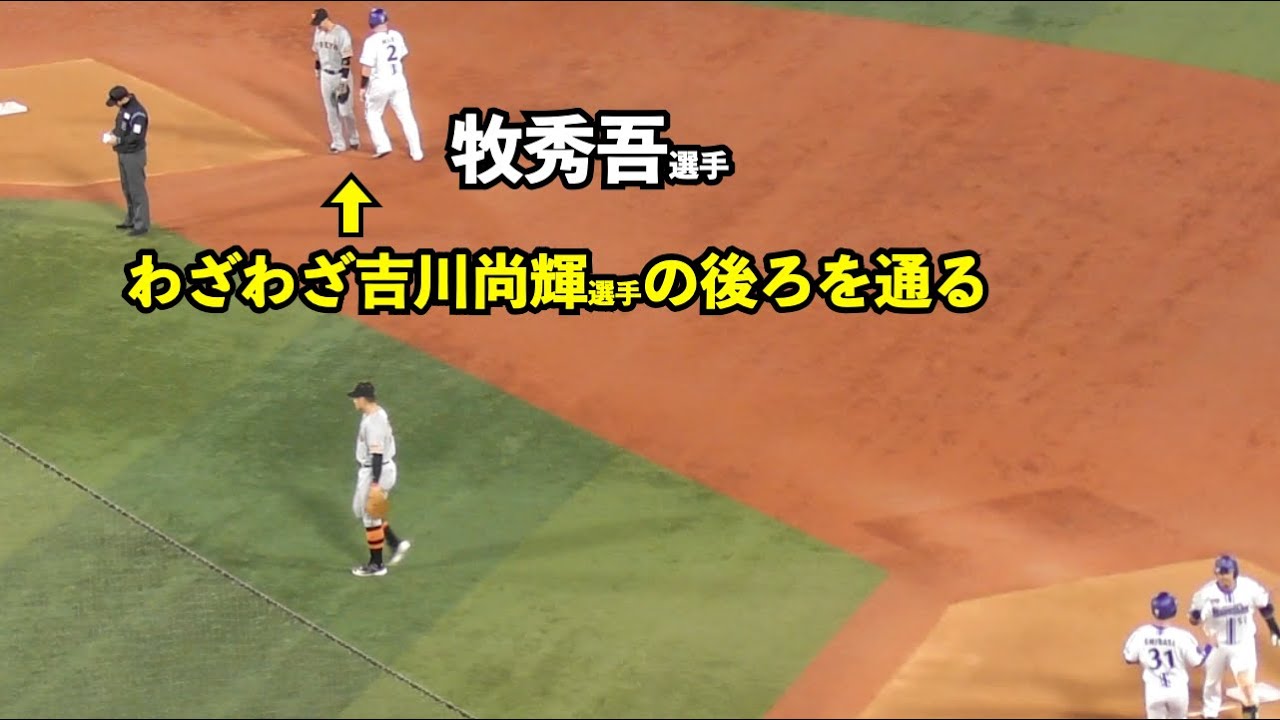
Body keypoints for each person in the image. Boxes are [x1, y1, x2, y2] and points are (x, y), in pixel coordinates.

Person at [1189, 555, 1280, 719]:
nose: (1222, 577)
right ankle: (1210, 713)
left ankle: (1251, 714)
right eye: (1219, 573)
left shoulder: (1249, 588)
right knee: (1212, 682)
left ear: (1234, 573)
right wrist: (1195, 616)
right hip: (1217, 645)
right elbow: (1194, 620)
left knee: (1247, 686)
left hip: (1243, 645)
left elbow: (1265, 608)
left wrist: (1275, 629)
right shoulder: (1205, 594)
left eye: (1226, 573)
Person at [347, 381, 410, 577]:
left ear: (363, 399)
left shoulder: (374, 422)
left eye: (356, 398)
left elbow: (377, 455)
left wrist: (375, 483)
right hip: (378, 469)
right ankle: (395, 543)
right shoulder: (374, 413)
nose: (354, 401)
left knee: (370, 516)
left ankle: (376, 564)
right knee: (362, 510)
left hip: (378, 470)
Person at [1123, 591, 1210, 719]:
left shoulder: (1141, 634)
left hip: (1154, 692)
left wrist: (1144, 659)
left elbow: (1129, 658)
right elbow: (1197, 661)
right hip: (1178, 691)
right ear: (1173, 611)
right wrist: (1209, 647)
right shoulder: (1182, 636)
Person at [358, 7, 424, 161]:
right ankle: (417, 152)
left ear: (371, 23)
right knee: (407, 116)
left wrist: (362, 88)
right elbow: (402, 56)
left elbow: (367, 68)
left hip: (380, 84)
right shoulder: (396, 35)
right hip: (398, 81)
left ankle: (383, 146)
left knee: (373, 114)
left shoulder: (371, 42)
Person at [310, 8, 361, 153]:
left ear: (325, 19)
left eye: (319, 22)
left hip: (341, 75)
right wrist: (317, 68)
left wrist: (344, 80)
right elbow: (317, 53)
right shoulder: (318, 32)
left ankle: (354, 138)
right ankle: (338, 143)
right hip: (326, 76)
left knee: (346, 111)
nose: (317, 26)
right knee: (331, 111)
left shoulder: (341, 33)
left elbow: (346, 58)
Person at [103, 85, 150, 236]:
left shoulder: (138, 114)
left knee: (137, 190)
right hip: (123, 153)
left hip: (133, 155)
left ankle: (141, 225)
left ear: (124, 99)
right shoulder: (124, 108)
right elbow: (121, 127)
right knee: (127, 188)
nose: (116, 105)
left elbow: (136, 136)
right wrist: (113, 133)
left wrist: (118, 140)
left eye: (116, 102)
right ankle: (131, 219)